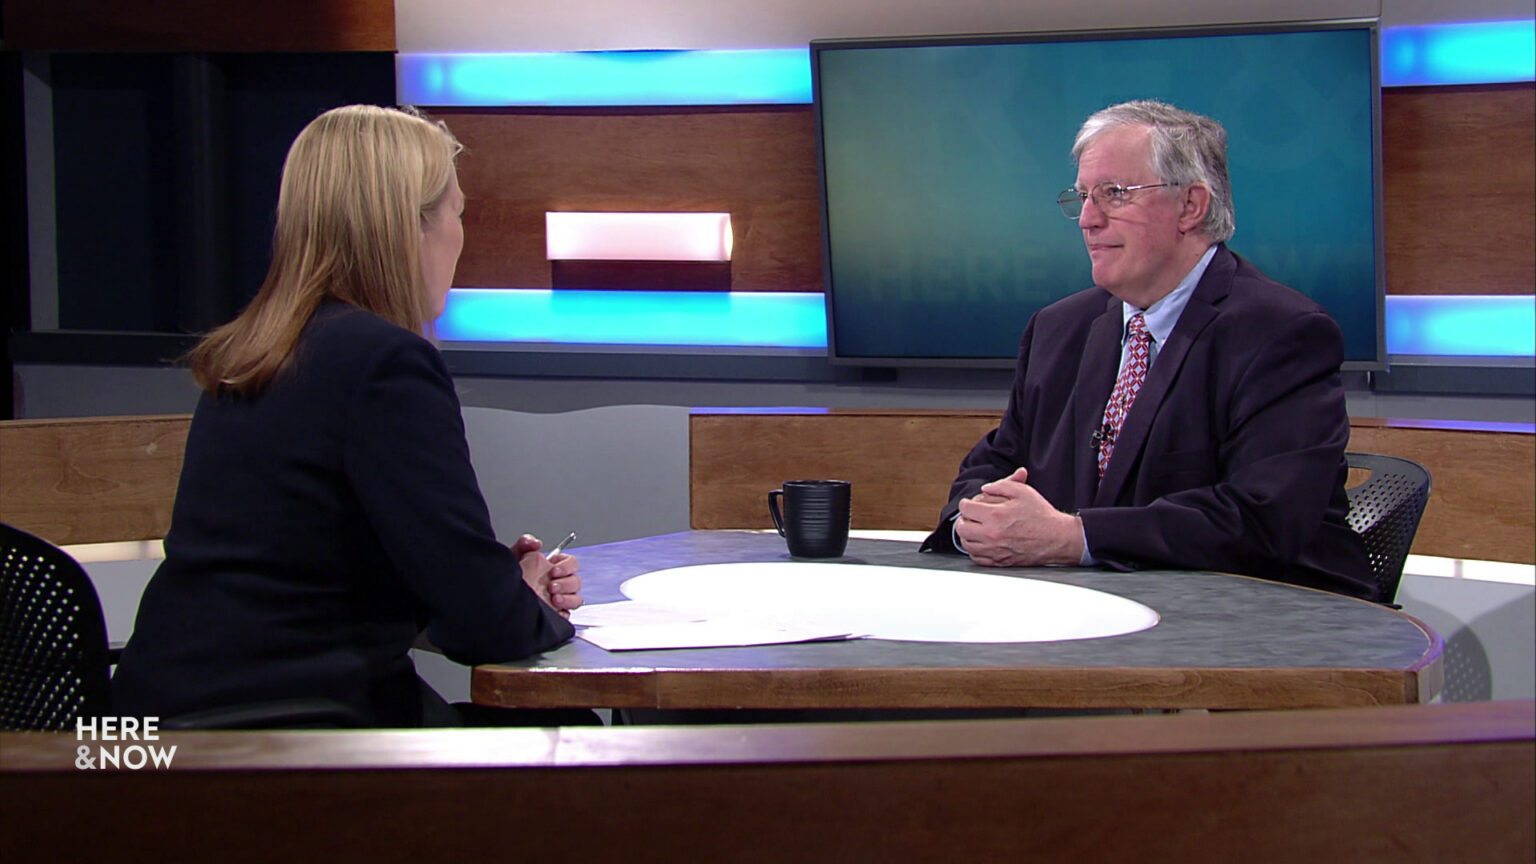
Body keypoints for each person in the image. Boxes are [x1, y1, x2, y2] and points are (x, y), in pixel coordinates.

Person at [112, 105, 585, 727]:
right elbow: (485, 629)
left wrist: (501, 585)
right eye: (458, 213)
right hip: (282, 750)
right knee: (576, 749)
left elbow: (316, 570)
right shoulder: (386, 363)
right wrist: (518, 603)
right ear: (410, 227)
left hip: (145, 734)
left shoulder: (260, 351)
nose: (461, 236)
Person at [922, 100, 1375, 601]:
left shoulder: (1281, 333)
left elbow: (1263, 518)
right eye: (1082, 196)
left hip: (1275, 624)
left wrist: (1075, 538)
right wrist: (978, 524)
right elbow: (993, 465)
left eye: (1114, 194)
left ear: (1191, 206)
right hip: (1098, 610)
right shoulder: (1058, 328)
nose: (1087, 220)